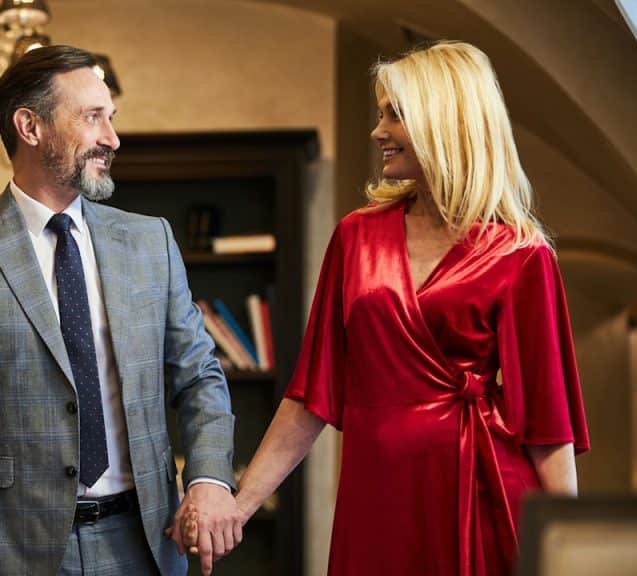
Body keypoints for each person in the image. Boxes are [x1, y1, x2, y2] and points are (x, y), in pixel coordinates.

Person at [176, 41, 591, 575]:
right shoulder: (356, 237)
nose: (378, 131)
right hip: (377, 499)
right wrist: (240, 506)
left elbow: (547, 425)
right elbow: (311, 395)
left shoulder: (521, 254)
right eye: (379, 113)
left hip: (485, 495)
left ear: (446, 123)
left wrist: (570, 554)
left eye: (395, 114)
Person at [0, 45, 240, 576]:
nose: (112, 138)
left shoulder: (150, 241)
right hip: (6, 551)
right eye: (92, 118)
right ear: (30, 127)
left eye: (111, 118)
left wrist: (210, 479)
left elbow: (200, 377)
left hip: (144, 545)